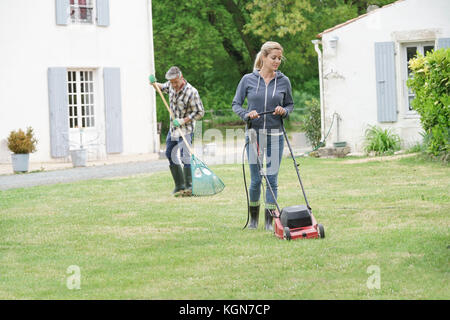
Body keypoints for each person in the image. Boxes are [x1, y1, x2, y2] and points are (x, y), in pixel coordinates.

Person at [232, 41, 294, 231]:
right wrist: (246, 114)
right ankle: (253, 220)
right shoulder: (248, 80)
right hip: (254, 134)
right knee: (257, 179)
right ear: (264, 57)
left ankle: (269, 221)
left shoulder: (284, 81)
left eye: (279, 59)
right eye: (273, 58)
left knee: (272, 178)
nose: (277, 62)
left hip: (275, 135)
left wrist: (283, 110)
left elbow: (290, 105)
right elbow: (236, 104)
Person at [153, 66, 205, 197]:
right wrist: (153, 83)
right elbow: (161, 87)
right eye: (171, 82)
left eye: (176, 82)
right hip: (173, 129)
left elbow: (200, 112)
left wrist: (183, 120)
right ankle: (179, 185)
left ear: (181, 77)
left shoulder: (191, 92)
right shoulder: (170, 86)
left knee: (185, 157)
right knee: (169, 153)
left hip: (186, 129)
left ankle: (189, 187)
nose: (174, 85)